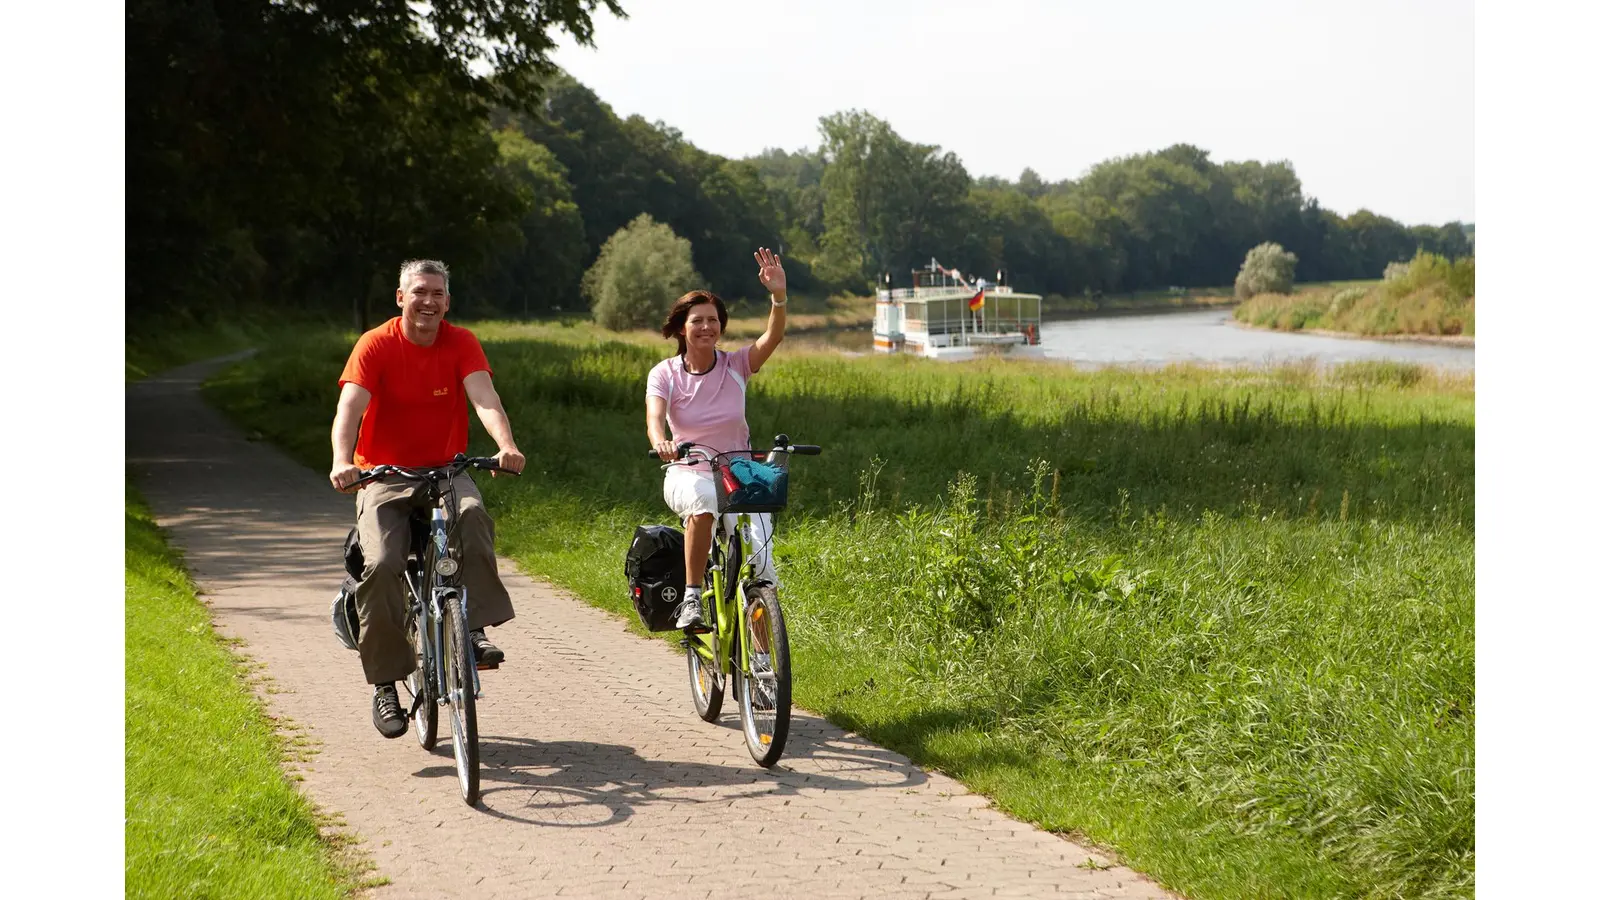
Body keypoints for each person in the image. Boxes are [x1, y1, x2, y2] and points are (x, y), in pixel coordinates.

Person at [329, 259, 526, 739]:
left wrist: (506, 445)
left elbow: (484, 399)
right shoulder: (376, 343)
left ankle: (472, 628)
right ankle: (385, 682)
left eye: (437, 294)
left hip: (445, 470)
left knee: (473, 513)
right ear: (401, 298)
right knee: (382, 564)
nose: (429, 302)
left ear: (447, 302)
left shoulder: (461, 342)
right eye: (419, 292)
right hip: (382, 474)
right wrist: (341, 460)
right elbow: (349, 407)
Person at [646, 247, 788, 629]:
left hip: (739, 472)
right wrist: (661, 441)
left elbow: (773, 336)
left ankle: (762, 667)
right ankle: (692, 597)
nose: (707, 327)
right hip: (687, 470)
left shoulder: (736, 365)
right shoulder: (665, 374)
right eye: (698, 321)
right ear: (682, 327)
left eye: (713, 320)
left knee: (761, 567)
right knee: (705, 502)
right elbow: (654, 418)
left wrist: (778, 295)